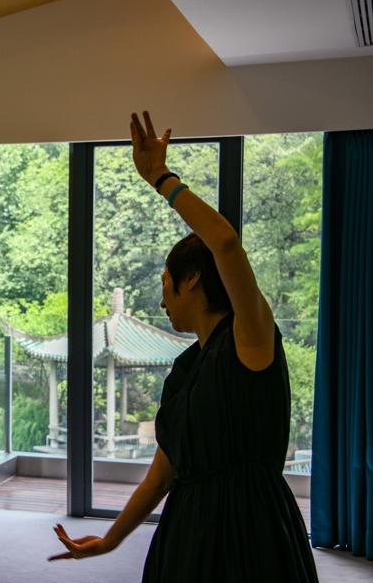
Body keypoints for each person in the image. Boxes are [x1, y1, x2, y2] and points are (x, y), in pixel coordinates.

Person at [49, 112, 318, 581]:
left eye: (165, 283)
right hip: (188, 531)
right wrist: (110, 540)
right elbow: (161, 475)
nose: (162, 300)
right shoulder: (186, 370)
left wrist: (160, 177)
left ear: (191, 279)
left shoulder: (251, 337)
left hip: (253, 532)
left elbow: (226, 244)